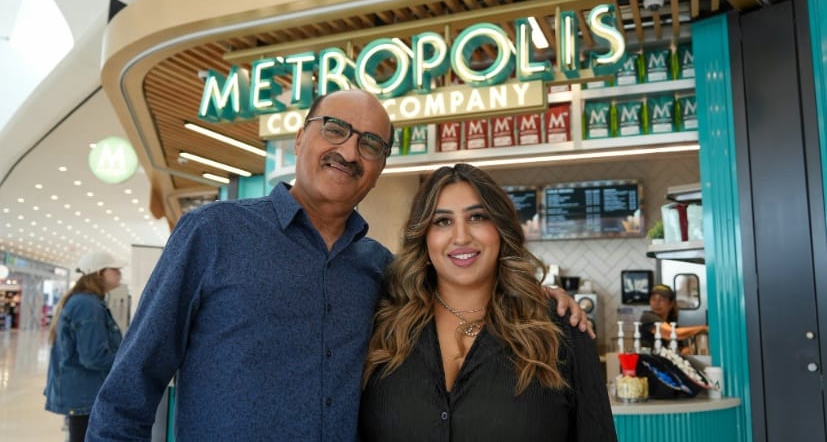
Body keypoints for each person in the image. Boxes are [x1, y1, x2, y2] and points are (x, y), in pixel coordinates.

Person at [86, 90, 589, 441]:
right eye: (336, 130)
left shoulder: (381, 272)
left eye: (370, 144)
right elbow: (130, 388)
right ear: (301, 138)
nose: (349, 151)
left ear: (379, 168)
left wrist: (537, 296)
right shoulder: (213, 233)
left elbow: (461, 289)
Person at [360, 163, 616, 441]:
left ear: (500, 229)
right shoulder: (382, 327)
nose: (461, 237)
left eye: (477, 217)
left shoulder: (560, 330)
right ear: (424, 237)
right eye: (442, 221)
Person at [44, 250, 125, 442]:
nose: (119, 273)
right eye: (115, 269)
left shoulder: (86, 302)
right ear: (99, 273)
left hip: (83, 392)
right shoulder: (87, 305)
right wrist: (126, 362)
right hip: (84, 393)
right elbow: (93, 356)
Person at [639, 283, 708, 354]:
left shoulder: (671, 324)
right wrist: (703, 328)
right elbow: (672, 334)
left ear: (671, 304)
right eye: (653, 299)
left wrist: (697, 347)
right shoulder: (647, 317)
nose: (656, 303)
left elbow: (680, 351)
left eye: (661, 299)